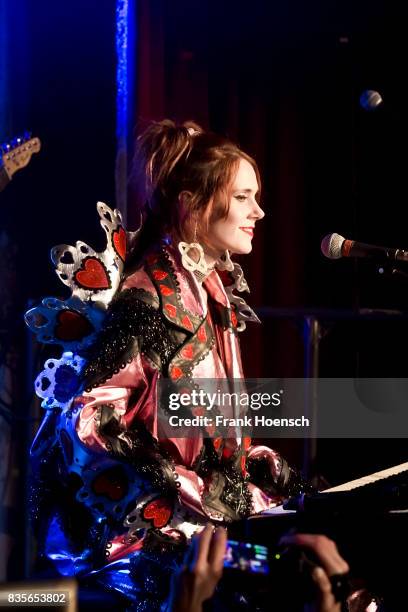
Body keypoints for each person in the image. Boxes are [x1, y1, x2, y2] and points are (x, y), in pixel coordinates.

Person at [26, 120, 313, 609]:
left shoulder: (209, 287)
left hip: (195, 516)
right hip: (133, 534)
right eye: (243, 197)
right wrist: (189, 485)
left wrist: (256, 464)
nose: (258, 212)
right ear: (192, 204)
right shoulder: (147, 296)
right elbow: (94, 417)